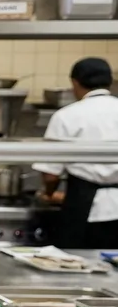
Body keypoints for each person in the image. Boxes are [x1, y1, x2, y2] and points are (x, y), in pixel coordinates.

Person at [33, 57, 118, 248]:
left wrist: (49, 194)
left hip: (84, 208)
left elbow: (50, 174)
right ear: (109, 82)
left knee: (79, 265)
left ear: (74, 83)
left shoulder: (67, 116)